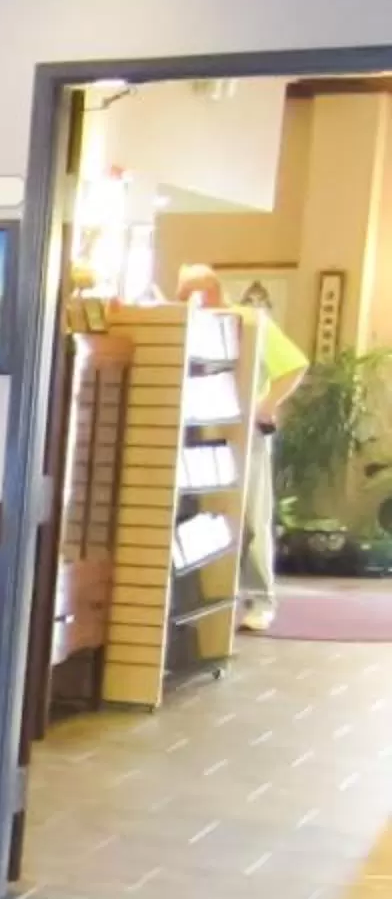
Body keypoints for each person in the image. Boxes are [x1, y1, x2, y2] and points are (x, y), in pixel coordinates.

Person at [177, 266, 309, 629]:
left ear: (211, 292)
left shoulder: (250, 322)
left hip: (244, 432)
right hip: (200, 432)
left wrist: (265, 405)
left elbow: (295, 366)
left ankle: (261, 600)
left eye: (190, 292)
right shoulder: (190, 325)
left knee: (251, 516)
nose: (185, 300)